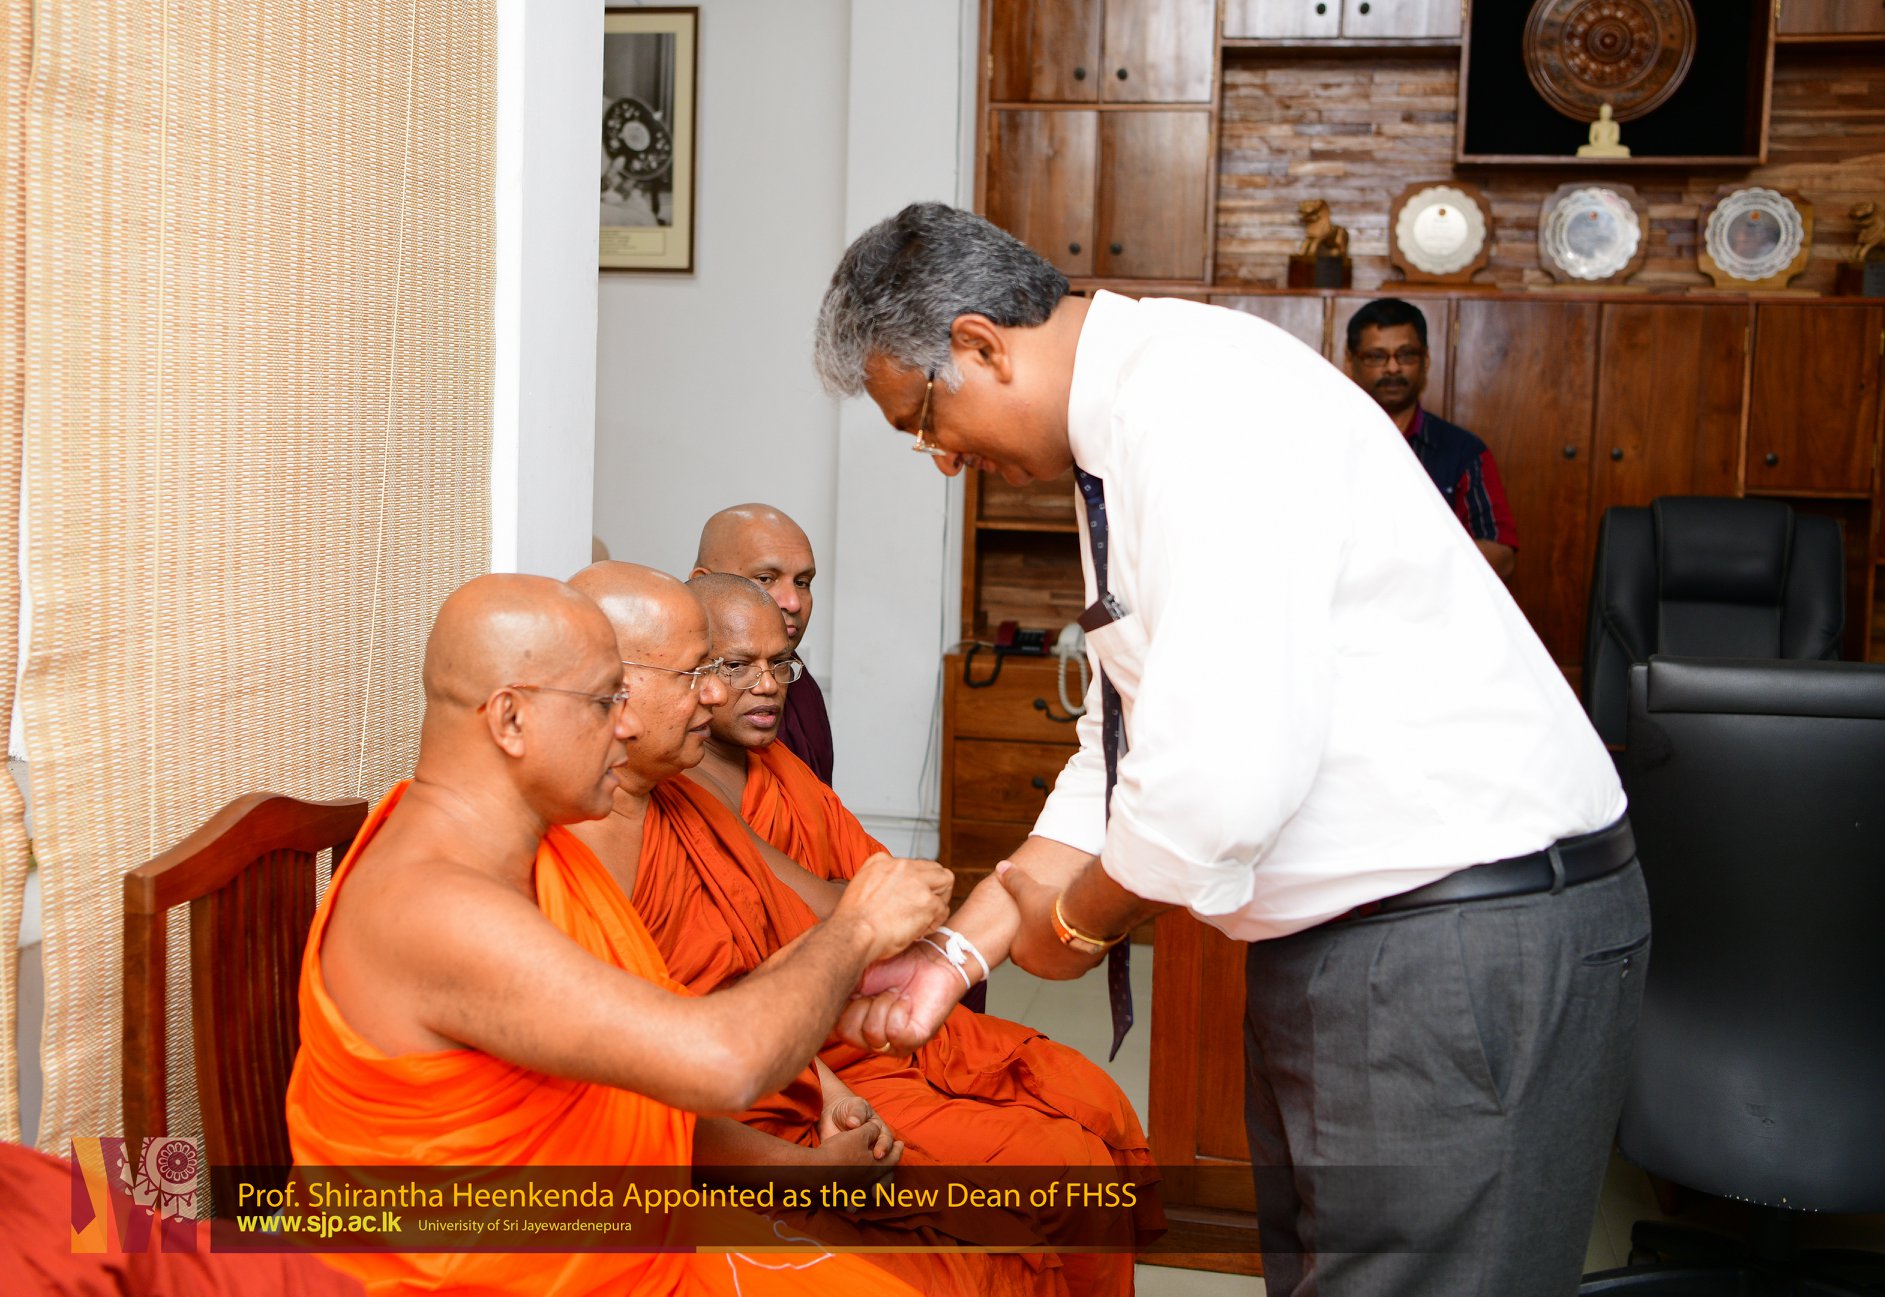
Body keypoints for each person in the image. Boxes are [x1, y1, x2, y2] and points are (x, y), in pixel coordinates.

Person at [814, 203, 1648, 1297]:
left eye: (921, 420)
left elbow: (1215, 782)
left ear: (979, 345)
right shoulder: (1120, 433)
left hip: (1455, 942)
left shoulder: (1199, 407)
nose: (938, 459)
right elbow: (1121, 747)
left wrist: (1078, 921)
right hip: (1359, 943)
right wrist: (957, 955)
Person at [286, 572, 949, 1297]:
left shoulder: (536, 857)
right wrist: (856, 927)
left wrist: (829, 999)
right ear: (511, 719)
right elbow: (722, 1063)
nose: (625, 728)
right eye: (606, 702)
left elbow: (647, 1039)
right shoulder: (438, 908)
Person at [562, 562, 1085, 1295]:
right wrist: (804, 1171)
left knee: (1044, 1193)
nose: (719, 693)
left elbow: (751, 966)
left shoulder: (686, 801)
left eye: (769, 663)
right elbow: (647, 1082)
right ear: (610, 693)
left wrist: (831, 1092)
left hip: (790, 1072)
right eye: (703, 672)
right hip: (689, 1150)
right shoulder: (557, 857)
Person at [1344, 298, 1518, 581]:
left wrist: (1415, 564)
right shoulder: (1327, 445)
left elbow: (1502, 555)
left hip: (1434, 604)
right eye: (1376, 356)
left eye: (1406, 355)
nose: (1392, 368)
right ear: (1351, 361)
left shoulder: (1464, 452)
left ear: (1425, 360)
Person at [691, 504, 834, 783]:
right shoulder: (668, 697)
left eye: (802, 582)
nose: (792, 602)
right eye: (766, 578)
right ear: (704, 582)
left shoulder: (799, 684)